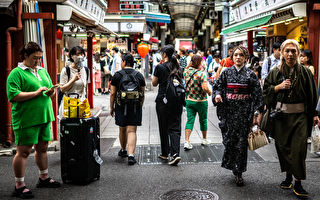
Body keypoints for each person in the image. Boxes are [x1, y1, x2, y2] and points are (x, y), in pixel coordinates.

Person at [263, 39, 318, 199]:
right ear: (281, 52)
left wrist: (315, 114)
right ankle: (288, 176)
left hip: (300, 117)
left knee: (299, 150)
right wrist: (277, 87)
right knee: (283, 148)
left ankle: (298, 182)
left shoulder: (306, 72)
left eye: (294, 51)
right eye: (287, 51)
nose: (290, 54)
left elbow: (313, 94)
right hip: (281, 117)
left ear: (298, 53)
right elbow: (265, 91)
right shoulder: (276, 71)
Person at [6, 42, 61, 199]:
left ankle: (44, 177)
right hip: (26, 118)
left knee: (42, 148)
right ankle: (19, 185)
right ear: (25, 56)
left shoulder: (42, 71)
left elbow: (49, 90)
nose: (38, 61)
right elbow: (13, 95)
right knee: (23, 151)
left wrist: (50, 92)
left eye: (39, 58)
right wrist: (36, 93)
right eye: (34, 58)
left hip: (44, 116)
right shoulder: (16, 73)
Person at [213, 46, 263, 187]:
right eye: (236, 55)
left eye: (241, 55)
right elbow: (218, 87)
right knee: (229, 142)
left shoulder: (250, 75)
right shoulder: (226, 73)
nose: (238, 57)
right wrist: (217, 95)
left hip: (244, 114)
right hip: (228, 114)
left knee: (241, 144)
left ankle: (239, 171)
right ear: (232, 57)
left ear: (246, 58)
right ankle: (232, 165)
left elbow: (257, 95)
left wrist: (256, 113)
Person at [110, 53, 146, 165]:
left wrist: (112, 107)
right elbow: (142, 93)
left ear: (124, 62)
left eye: (121, 61)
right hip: (135, 106)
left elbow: (112, 93)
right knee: (131, 130)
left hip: (121, 105)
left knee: (122, 128)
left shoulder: (117, 75)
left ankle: (123, 150)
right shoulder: (139, 75)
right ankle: (131, 155)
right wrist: (140, 104)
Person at [152, 44, 184, 166]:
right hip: (177, 100)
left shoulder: (159, 67)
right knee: (175, 127)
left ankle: (165, 153)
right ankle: (175, 154)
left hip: (162, 101)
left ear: (164, 54)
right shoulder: (178, 68)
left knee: (163, 126)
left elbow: (154, 83)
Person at [183, 55, 212, 150]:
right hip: (201, 101)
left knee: (190, 120)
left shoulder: (186, 72)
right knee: (203, 120)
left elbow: (188, 68)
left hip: (189, 100)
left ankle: (187, 141)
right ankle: (204, 139)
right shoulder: (201, 74)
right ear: (198, 62)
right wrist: (210, 92)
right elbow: (205, 88)